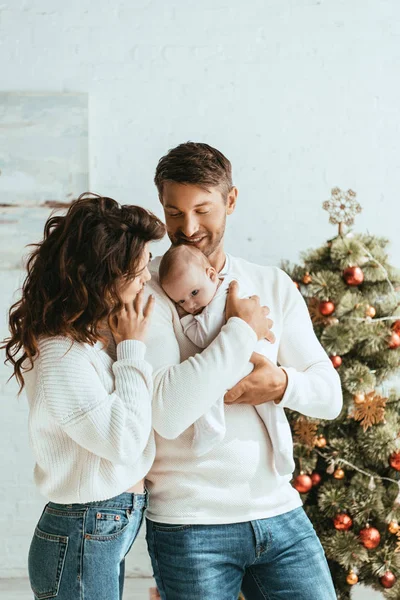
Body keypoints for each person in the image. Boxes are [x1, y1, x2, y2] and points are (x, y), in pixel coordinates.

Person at [143, 142, 343, 600]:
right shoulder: (148, 289)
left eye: (202, 209)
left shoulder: (270, 283)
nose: (187, 228)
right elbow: (168, 412)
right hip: (192, 525)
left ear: (231, 201)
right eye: (174, 212)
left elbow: (329, 395)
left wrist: (281, 383)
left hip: (280, 512)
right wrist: (239, 332)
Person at [2, 193, 165, 600]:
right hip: (83, 529)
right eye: (140, 269)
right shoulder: (62, 353)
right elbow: (123, 441)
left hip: (98, 528)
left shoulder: (87, 340)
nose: (147, 278)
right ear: (106, 273)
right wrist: (131, 348)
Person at [158, 243, 294, 472]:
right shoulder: (228, 289)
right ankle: (283, 452)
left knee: (208, 389)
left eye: (193, 293)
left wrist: (184, 321)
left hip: (246, 363)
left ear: (211, 275)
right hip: (253, 361)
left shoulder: (219, 300)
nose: (191, 305)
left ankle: (210, 429)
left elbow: (203, 338)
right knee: (271, 412)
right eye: (180, 302)